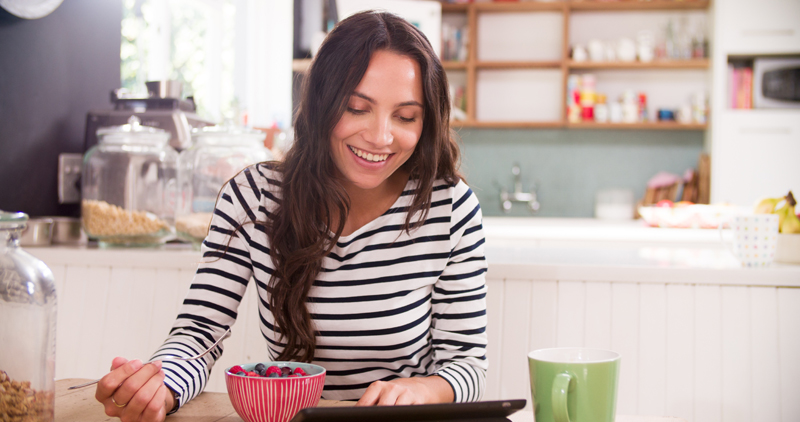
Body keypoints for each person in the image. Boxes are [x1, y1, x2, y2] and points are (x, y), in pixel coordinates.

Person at [94, 10, 488, 422]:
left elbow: (466, 365)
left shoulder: (449, 207)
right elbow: (199, 334)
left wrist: (421, 390)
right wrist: (159, 385)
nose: (381, 136)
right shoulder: (252, 198)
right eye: (357, 108)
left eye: (406, 116)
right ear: (321, 103)